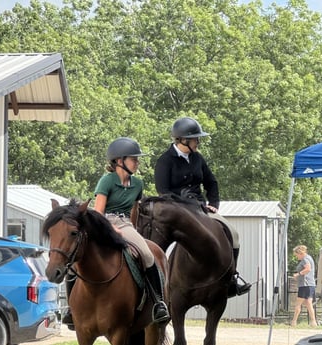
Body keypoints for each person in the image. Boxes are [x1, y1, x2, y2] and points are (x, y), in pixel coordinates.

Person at [62, 137, 170, 329]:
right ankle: (71, 310)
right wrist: (111, 228)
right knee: (78, 257)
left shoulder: (137, 184)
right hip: (103, 223)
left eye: (137, 159)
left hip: (125, 224)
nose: (137, 162)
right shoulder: (107, 181)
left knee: (147, 255)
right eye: (133, 159)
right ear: (120, 161)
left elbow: (134, 210)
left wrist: (133, 229)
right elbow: (98, 211)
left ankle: (158, 303)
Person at [154, 116, 251, 297]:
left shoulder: (197, 158)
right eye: (195, 139)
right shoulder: (165, 161)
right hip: (176, 211)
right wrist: (182, 206)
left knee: (234, 234)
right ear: (183, 140)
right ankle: (157, 283)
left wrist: (213, 204)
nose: (198, 142)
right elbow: (163, 191)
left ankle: (231, 279)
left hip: (200, 209)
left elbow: (211, 182)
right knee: (158, 243)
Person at [290, 245, 317, 327]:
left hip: (305, 284)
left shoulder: (305, 259)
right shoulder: (309, 258)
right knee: (308, 303)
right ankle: (313, 322)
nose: (296, 257)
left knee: (298, 303)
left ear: (300, 253)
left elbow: (308, 269)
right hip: (310, 284)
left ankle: (294, 321)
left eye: (296, 255)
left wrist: (298, 274)